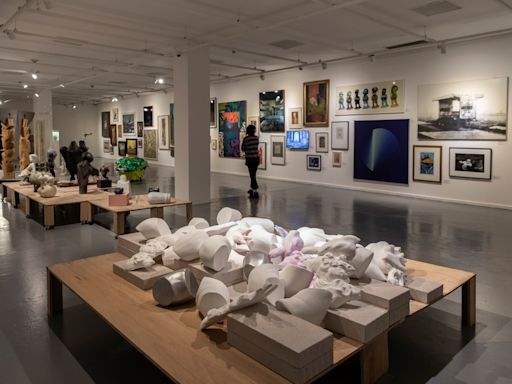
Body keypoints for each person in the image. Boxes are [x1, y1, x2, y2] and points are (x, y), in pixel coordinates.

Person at [241, 124, 260, 199]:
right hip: (256, 159)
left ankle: (255, 190)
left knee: (252, 175)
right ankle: (252, 189)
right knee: (253, 174)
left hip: (249, 159)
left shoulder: (246, 139)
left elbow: (243, 148)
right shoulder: (256, 138)